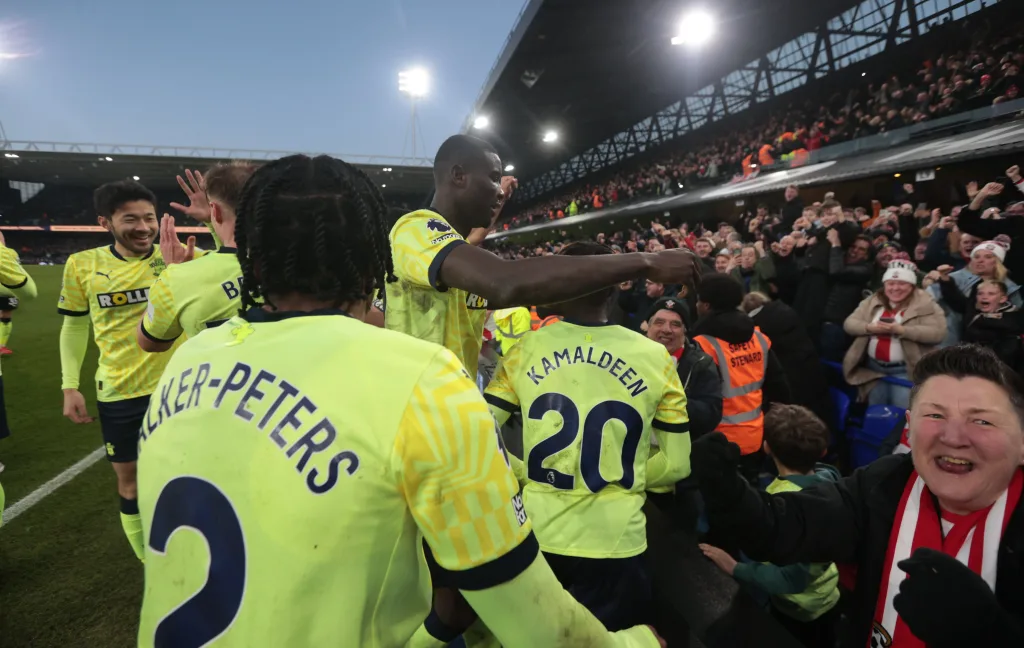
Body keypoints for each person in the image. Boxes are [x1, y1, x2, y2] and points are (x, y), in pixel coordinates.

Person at [136, 155, 665, 648]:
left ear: (247, 250)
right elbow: (536, 623)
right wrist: (634, 642)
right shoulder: (421, 378)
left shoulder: (190, 358)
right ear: (375, 260)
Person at [691, 345, 1024, 648]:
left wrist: (991, 634)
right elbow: (784, 528)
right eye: (935, 415)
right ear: (908, 429)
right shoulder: (885, 482)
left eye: (981, 420)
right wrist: (728, 490)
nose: (953, 437)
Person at [484, 242, 690, 632]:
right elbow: (678, 464)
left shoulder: (524, 349)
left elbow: (481, 434)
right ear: (613, 289)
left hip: (538, 533)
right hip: (617, 542)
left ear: (558, 288)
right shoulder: (656, 357)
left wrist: (528, 474)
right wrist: (622, 478)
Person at [385, 134, 698, 379]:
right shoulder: (415, 229)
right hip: (412, 420)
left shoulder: (454, 255)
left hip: (445, 417)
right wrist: (647, 262)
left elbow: (493, 265)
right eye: (493, 177)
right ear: (458, 175)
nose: (497, 191)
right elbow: (504, 282)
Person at [58, 179, 206, 561]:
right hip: (120, 391)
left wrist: (209, 218)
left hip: (181, 388)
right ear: (105, 222)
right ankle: (147, 560)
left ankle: (199, 546)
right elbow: (74, 325)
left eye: (149, 218)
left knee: (193, 473)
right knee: (131, 483)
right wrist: (69, 385)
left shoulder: (179, 254)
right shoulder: (82, 265)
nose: (143, 227)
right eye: (130, 219)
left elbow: (236, 263)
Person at [700, 405, 840, 648]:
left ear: (767, 447)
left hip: (800, 610)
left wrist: (735, 568)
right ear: (823, 450)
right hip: (827, 596)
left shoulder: (785, 502)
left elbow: (791, 580)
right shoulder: (832, 481)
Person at [137, 163, 256, 352]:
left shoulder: (178, 279)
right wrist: (212, 222)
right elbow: (234, 260)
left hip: (221, 379)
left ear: (214, 210)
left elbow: (151, 342)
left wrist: (170, 273)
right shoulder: (300, 265)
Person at [690, 273, 791, 482]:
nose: (696, 304)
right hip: (755, 436)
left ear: (707, 306)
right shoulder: (758, 338)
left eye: (698, 300)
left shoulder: (703, 344)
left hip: (715, 440)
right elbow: (779, 387)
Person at [843, 260, 947, 409]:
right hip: (873, 370)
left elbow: (938, 333)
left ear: (911, 286)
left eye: (902, 283)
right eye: (891, 283)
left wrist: (903, 331)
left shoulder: (926, 303)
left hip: (905, 371)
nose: (895, 288)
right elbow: (849, 323)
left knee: (901, 414)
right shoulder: (872, 300)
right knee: (876, 412)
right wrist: (869, 327)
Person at [644, 296, 722, 439]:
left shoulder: (701, 364)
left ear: (684, 331)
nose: (666, 330)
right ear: (648, 328)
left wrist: (669, 400)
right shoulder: (630, 357)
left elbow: (710, 416)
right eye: (659, 322)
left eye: (675, 324)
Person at [0, 232, 37, 522]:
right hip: (9, 288)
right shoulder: (5, 254)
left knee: (5, 317)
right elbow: (30, 290)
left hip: (6, 292)